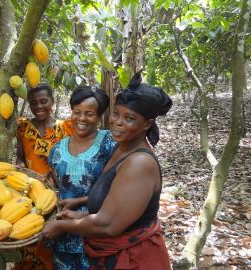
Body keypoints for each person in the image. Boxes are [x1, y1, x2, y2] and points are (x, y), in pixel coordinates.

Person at [41, 71, 172, 269]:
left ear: (147, 123)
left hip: (132, 258)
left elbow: (108, 224)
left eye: (129, 118)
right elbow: (113, 204)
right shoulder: (122, 148)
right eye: (116, 113)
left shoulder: (139, 163)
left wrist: (60, 226)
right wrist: (80, 215)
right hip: (107, 254)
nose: (117, 122)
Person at [46, 85, 116, 269]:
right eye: (77, 112)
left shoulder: (110, 143)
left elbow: (118, 188)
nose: (81, 118)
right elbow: (54, 186)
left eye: (89, 114)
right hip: (62, 234)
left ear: (99, 116)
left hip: (96, 231)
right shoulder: (57, 150)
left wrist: (81, 200)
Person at [14, 83, 73, 270]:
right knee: (28, 236)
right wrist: (21, 168)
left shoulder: (64, 129)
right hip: (28, 191)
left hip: (55, 194)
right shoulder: (23, 127)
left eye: (44, 101)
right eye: (34, 103)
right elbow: (21, 157)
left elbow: (71, 161)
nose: (39, 106)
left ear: (52, 102)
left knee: (49, 239)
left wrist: (56, 174)